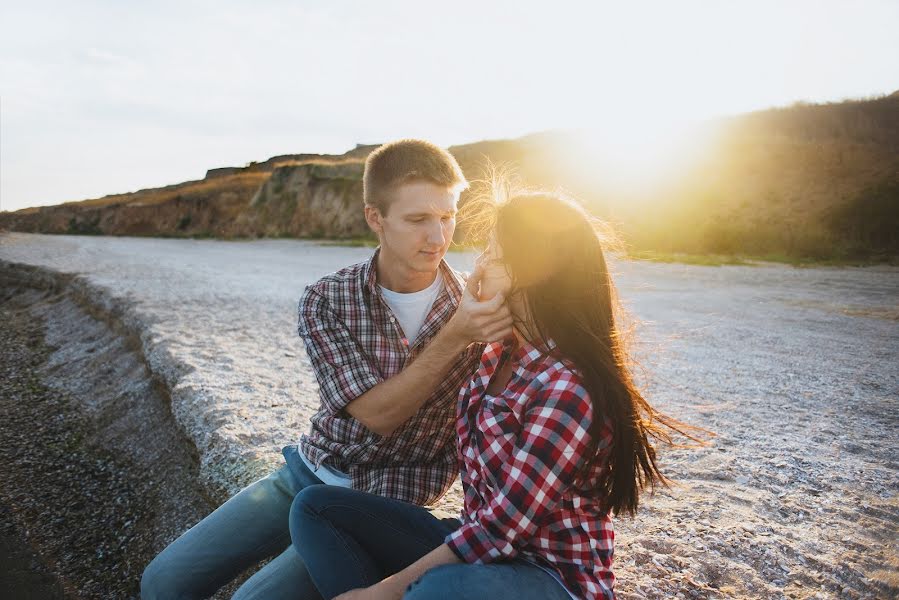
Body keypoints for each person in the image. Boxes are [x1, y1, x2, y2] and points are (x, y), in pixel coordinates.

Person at [140, 139, 514, 600]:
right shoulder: (328, 299)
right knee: (162, 582)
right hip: (311, 470)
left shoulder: (473, 306)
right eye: (418, 220)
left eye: (447, 217)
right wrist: (457, 335)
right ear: (375, 217)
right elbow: (377, 415)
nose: (438, 238)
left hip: (386, 500)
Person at [289, 190, 699, 600]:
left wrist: (379, 592)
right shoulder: (496, 356)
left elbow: (502, 529)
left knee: (437, 589)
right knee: (315, 508)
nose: (479, 266)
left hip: (551, 576)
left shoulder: (567, 387)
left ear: (531, 273)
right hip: (483, 546)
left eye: (494, 255)